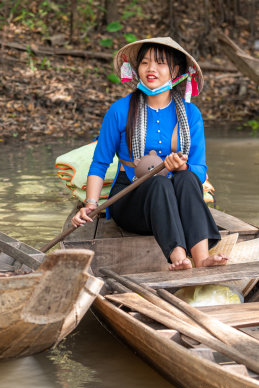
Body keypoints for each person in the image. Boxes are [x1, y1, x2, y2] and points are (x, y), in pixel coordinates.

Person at [72, 37, 228, 270]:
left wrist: (182, 167)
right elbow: (100, 163)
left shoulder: (191, 113)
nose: (151, 69)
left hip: (177, 202)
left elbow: (200, 169)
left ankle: (202, 257)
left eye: (160, 63)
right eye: (145, 63)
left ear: (175, 70)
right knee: (158, 184)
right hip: (131, 198)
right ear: (137, 69)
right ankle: (178, 258)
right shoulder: (119, 110)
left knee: (185, 178)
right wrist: (91, 204)